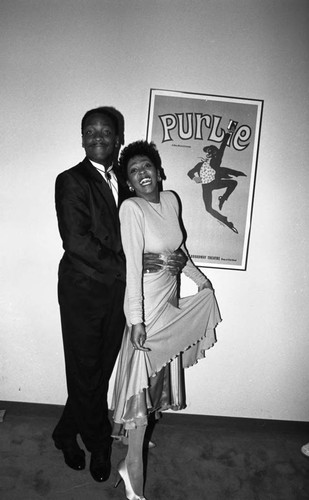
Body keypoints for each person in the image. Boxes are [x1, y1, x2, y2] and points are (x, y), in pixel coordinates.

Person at [52, 107, 185, 483]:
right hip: (82, 293)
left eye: (106, 132)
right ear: (82, 138)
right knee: (84, 373)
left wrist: (168, 258)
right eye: (90, 132)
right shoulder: (71, 180)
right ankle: (99, 445)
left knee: (97, 375)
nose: (98, 137)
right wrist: (135, 267)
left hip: (119, 297)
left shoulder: (126, 183)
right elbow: (77, 242)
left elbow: (140, 230)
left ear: (116, 139)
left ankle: (64, 432)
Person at [112, 140, 221, 500]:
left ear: (159, 171)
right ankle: (132, 471)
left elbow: (178, 250)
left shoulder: (172, 199)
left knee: (154, 382)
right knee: (142, 387)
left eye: (146, 167)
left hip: (169, 302)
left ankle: (133, 453)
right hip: (146, 307)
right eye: (133, 171)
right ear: (128, 182)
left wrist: (200, 279)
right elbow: (131, 267)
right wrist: (136, 319)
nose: (142, 174)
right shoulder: (131, 208)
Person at [187, 125, 246, 234]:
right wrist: (195, 178)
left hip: (214, 183)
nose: (208, 152)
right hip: (206, 187)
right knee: (208, 209)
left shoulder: (216, 160)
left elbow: (222, 146)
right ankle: (225, 220)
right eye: (207, 151)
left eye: (210, 151)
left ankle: (223, 198)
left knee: (233, 183)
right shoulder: (199, 164)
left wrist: (229, 133)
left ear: (214, 153)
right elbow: (189, 172)